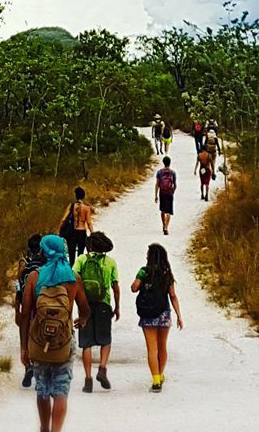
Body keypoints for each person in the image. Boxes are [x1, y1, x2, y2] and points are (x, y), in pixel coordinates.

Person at [20, 235, 91, 432]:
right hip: (63, 342)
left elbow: (25, 314)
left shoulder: (34, 277)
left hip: (38, 342)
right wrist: (80, 321)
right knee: (61, 389)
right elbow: (85, 309)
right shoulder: (73, 278)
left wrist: (23, 347)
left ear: (43, 252)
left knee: (42, 388)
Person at [131, 244, 183, 393]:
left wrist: (139, 282)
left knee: (151, 349)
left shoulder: (143, 271)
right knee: (162, 347)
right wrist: (179, 315)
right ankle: (160, 375)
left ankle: (155, 380)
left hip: (148, 314)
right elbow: (172, 295)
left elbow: (134, 288)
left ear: (151, 256)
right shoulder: (167, 273)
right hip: (164, 313)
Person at [72, 232, 120, 393]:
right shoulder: (110, 262)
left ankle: (88, 379)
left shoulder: (81, 260)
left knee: (86, 343)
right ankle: (102, 368)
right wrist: (117, 306)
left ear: (89, 246)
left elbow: (74, 280)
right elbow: (115, 286)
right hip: (103, 303)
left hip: (85, 305)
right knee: (105, 339)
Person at [14, 234, 44, 388]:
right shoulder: (45, 266)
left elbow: (18, 287)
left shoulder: (25, 265)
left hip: (28, 305)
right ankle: (40, 369)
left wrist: (16, 309)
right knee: (41, 337)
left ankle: (28, 365)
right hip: (42, 306)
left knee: (26, 335)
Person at [57, 187, 94, 266]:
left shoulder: (71, 206)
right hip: (82, 232)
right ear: (83, 196)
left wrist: (60, 231)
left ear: (76, 196)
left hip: (72, 232)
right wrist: (93, 233)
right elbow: (89, 223)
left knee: (71, 254)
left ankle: (71, 270)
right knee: (80, 254)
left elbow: (63, 219)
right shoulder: (86, 208)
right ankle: (79, 271)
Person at [154, 156, 176, 235]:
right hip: (169, 192)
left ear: (163, 162)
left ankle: (163, 225)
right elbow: (175, 185)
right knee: (169, 211)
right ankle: (166, 226)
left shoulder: (159, 172)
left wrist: (156, 195)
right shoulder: (173, 172)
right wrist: (172, 192)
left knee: (162, 210)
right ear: (170, 163)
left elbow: (157, 184)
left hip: (162, 192)